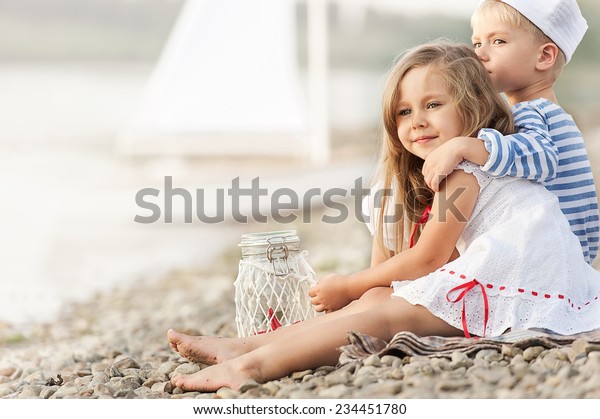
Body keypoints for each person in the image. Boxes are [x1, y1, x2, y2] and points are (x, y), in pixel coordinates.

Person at [166, 41, 600, 392]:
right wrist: (367, 290)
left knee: (387, 314)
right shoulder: (458, 170)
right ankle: (245, 345)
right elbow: (414, 269)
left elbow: (428, 261)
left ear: (473, 106)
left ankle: (253, 366)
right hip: (509, 273)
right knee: (379, 301)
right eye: (405, 112)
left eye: (433, 104)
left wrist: (349, 285)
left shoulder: (468, 169)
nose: (417, 122)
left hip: (525, 282)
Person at [422, 0, 599, 265]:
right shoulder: (550, 112)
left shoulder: (533, 111)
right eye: (477, 43)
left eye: (498, 42)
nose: (480, 54)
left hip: (552, 255)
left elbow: (541, 158)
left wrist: (462, 146)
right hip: (566, 251)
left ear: (544, 56)